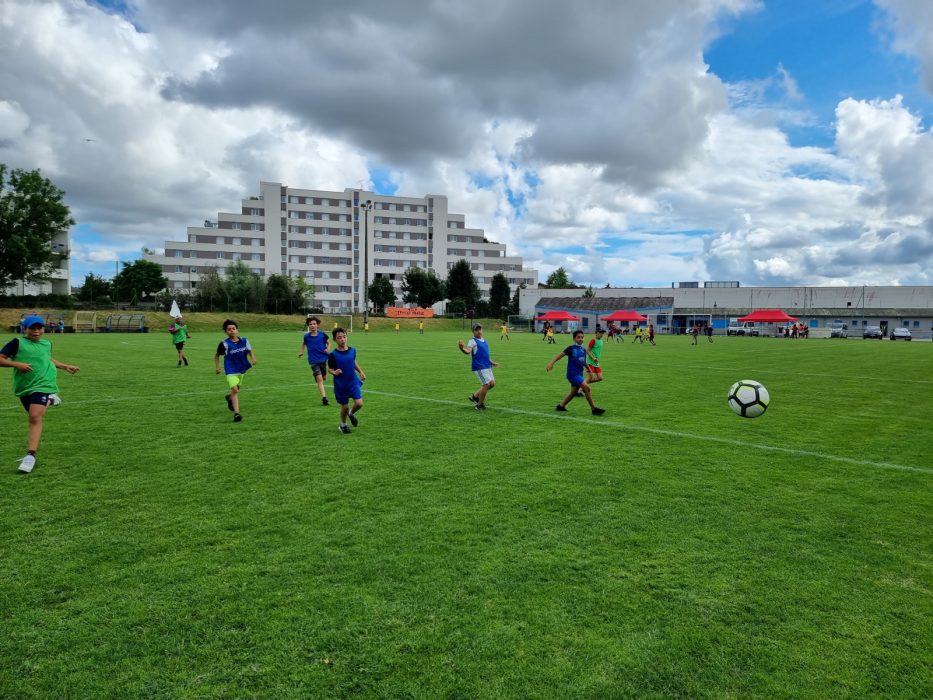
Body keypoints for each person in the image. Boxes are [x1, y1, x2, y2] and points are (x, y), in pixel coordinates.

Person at [0, 315, 79, 473]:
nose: (36, 331)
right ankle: (51, 400)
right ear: (25, 329)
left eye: (39, 328)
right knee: (34, 413)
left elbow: (47, 359)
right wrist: (17, 364)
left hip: (44, 383)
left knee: (35, 416)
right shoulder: (17, 343)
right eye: (33, 328)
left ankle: (30, 455)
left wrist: (64, 366)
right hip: (25, 387)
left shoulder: (47, 343)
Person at [547, 329, 605, 415]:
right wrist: (551, 363)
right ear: (574, 339)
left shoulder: (583, 349)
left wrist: (589, 369)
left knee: (573, 393)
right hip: (572, 374)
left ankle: (561, 406)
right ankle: (594, 409)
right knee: (587, 388)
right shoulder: (571, 348)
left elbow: (584, 361)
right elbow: (559, 355)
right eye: (578, 337)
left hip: (579, 374)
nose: (580, 339)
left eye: (582, 337)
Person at [215, 319, 257, 423]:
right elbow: (216, 356)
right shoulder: (224, 344)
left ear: (237, 330)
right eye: (229, 329)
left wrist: (253, 358)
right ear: (226, 332)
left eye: (233, 328)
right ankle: (236, 414)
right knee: (235, 391)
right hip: (230, 370)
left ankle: (229, 398)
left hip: (241, 369)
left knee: (235, 391)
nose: (232, 331)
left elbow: (249, 351)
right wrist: (218, 367)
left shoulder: (245, 341)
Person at [328, 327, 366, 434]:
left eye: (344, 337)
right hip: (341, 384)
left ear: (347, 337)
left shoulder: (353, 350)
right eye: (339, 338)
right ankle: (343, 425)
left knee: (359, 403)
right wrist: (334, 372)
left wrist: (361, 372)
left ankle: (351, 413)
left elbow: (353, 362)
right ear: (335, 340)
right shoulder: (333, 355)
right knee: (344, 407)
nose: (342, 339)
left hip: (353, 381)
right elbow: (330, 369)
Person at [458, 323, 499, 411]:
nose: (479, 331)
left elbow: (485, 355)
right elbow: (468, 351)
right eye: (476, 330)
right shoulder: (472, 341)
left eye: (480, 329)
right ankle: (479, 405)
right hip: (479, 366)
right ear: (473, 332)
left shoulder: (484, 341)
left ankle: (475, 396)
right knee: (486, 384)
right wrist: (462, 348)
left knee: (492, 384)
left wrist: (492, 362)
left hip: (487, 365)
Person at [297, 316, 331, 406]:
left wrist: (327, 349)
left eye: (314, 324)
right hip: (313, 361)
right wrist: (301, 351)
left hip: (323, 359)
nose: (312, 325)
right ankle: (324, 398)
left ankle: (321, 375)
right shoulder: (306, 337)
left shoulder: (322, 334)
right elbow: (303, 344)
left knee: (323, 378)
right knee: (319, 379)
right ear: (308, 326)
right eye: (310, 324)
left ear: (317, 325)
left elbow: (329, 342)